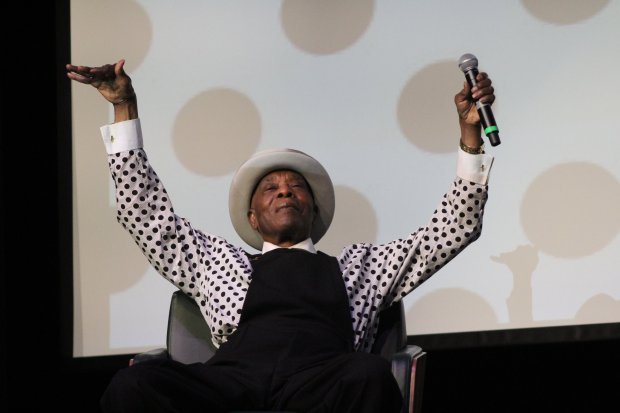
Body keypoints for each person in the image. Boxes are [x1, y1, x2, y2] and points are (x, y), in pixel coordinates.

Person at [66, 58, 496, 413]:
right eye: (270, 189)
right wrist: (124, 107)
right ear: (253, 218)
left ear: (314, 208)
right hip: (231, 386)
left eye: (296, 187)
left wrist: (470, 134)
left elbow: (454, 227)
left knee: (368, 376)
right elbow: (144, 214)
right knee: (134, 385)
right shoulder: (217, 261)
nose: (285, 191)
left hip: (321, 385)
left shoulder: (361, 266)